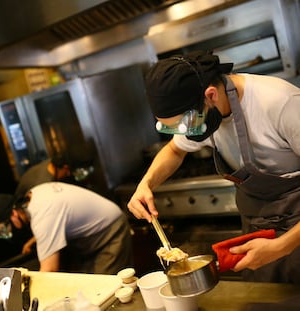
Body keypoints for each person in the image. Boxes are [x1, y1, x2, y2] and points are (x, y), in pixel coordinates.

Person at [127, 50, 300, 283]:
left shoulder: (281, 103)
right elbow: (174, 150)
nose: (185, 132)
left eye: (185, 124)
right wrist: (146, 184)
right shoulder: (203, 113)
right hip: (259, 228)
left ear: (210, 95)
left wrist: (281, 247)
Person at [0, 182, 133, 274]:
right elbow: (57, 219)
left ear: (13, 213)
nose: (3, 234)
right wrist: (35, 240)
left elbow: (49, 270)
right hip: (94, 233)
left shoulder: (43, 215)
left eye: (1, 229)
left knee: (106, 289)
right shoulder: (34, 195)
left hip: (111, 231)